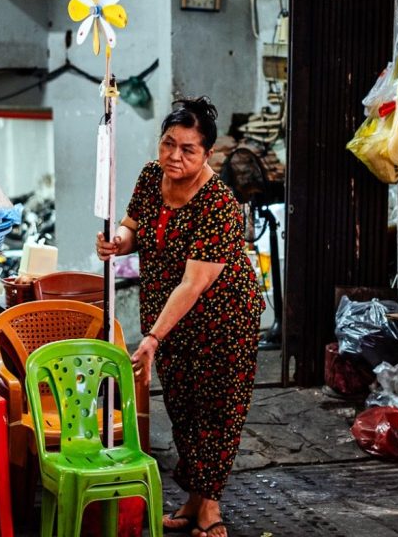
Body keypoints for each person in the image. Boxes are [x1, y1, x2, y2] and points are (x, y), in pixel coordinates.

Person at [96, 97, 264, 537]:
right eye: (168, 143)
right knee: (181, 407)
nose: (174, 155)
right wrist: (118, 242)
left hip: (223, 318)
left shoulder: (219, 203)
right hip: (170, 315)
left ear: (207, 153)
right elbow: (135, 225)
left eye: (188, 149)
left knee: (216, 411)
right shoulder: (152, 177)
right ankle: (193, 499)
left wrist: (152, 338)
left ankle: (209, 506)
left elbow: (193, 284)